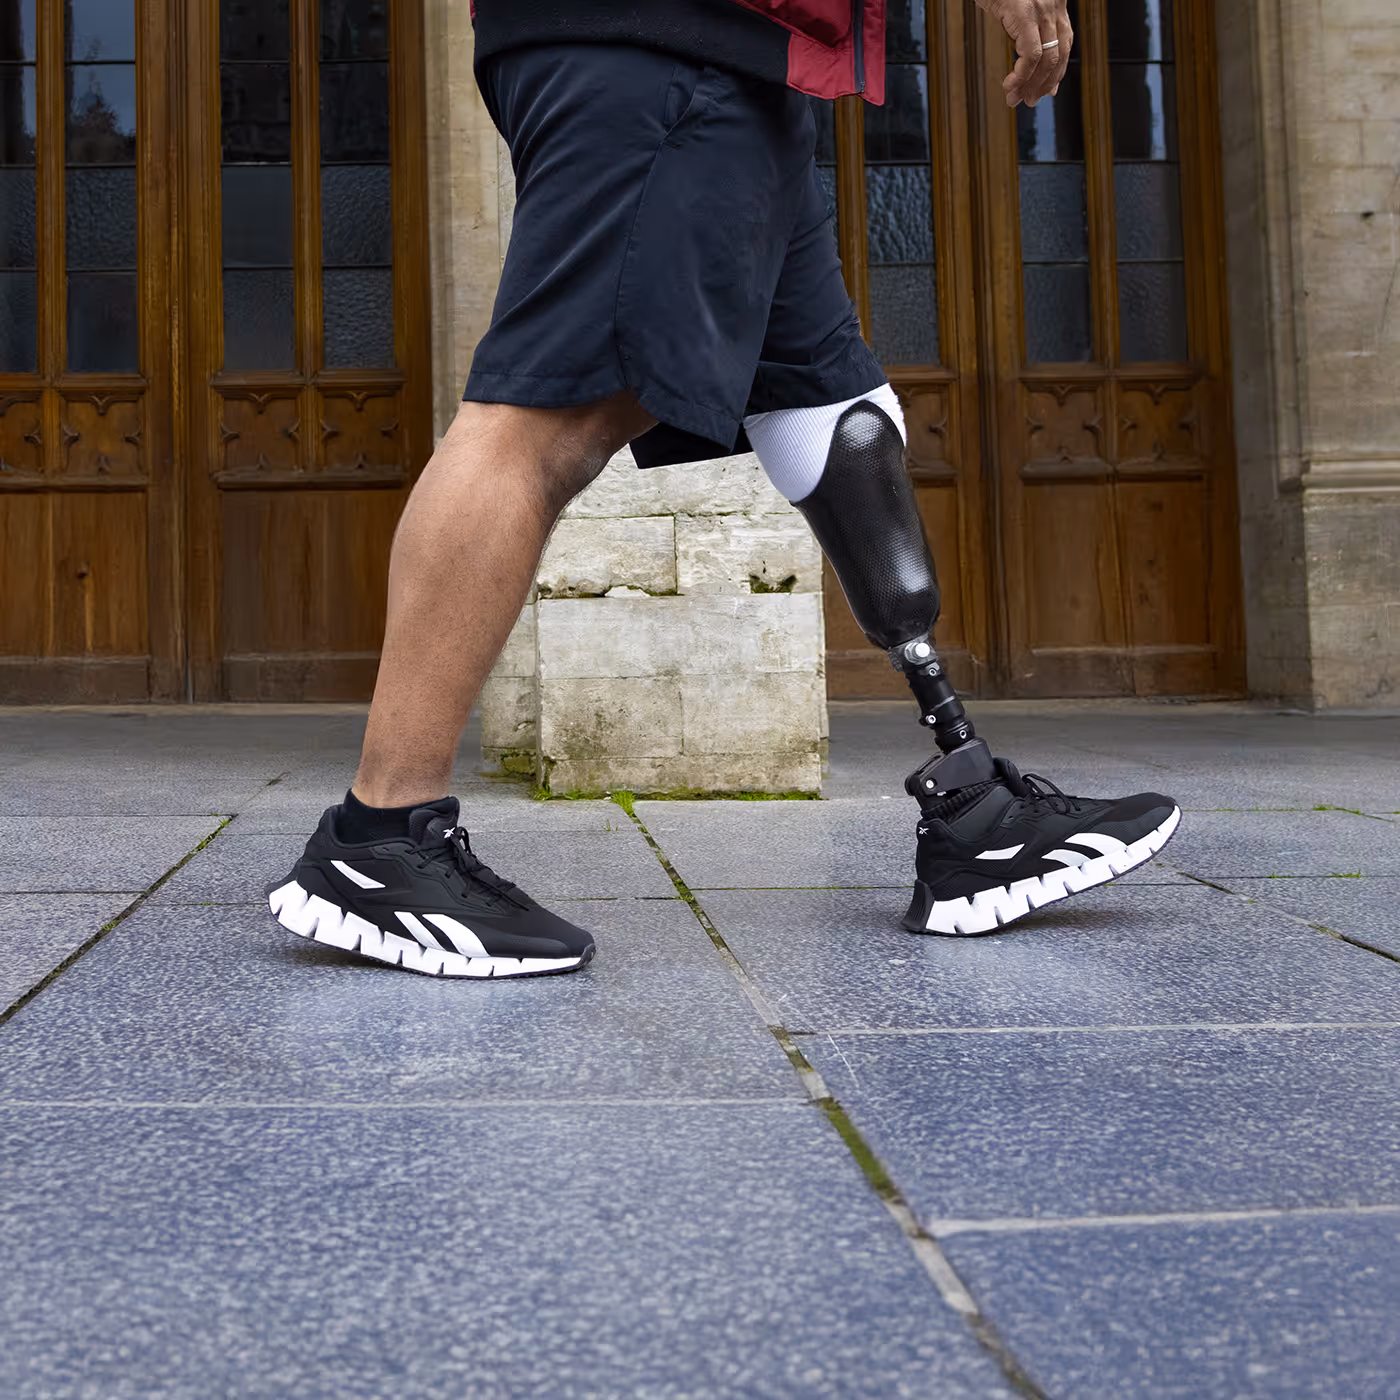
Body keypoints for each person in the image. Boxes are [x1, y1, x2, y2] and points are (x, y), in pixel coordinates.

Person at [265, 0, 1180, 978]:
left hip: (751, 54)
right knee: (544, 424)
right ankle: (379, 838)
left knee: (834, 415)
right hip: (657, 42)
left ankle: (974, 812)